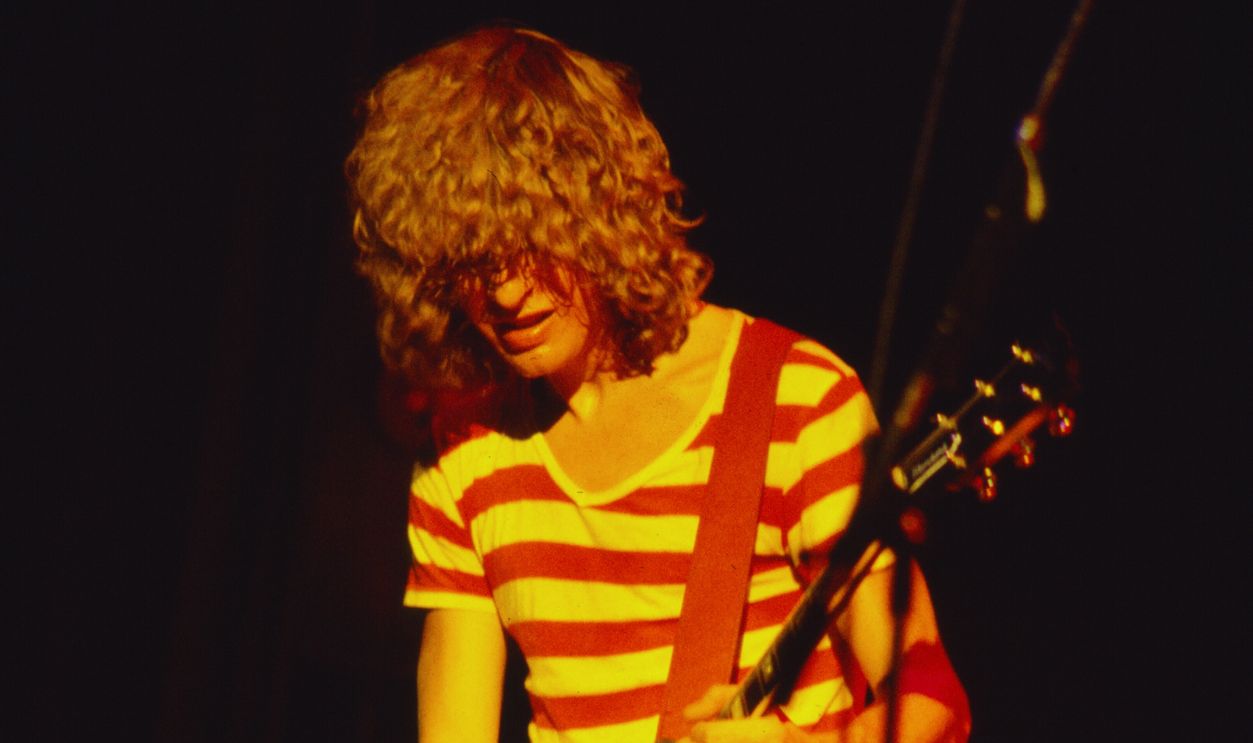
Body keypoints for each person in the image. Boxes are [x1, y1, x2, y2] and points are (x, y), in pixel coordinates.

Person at [346, 25, 970, 743]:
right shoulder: (465, 451)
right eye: (471, 262)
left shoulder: (795, 401)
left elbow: (933, 704)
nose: (509, 294)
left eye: (534, 241)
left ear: (601, 211)